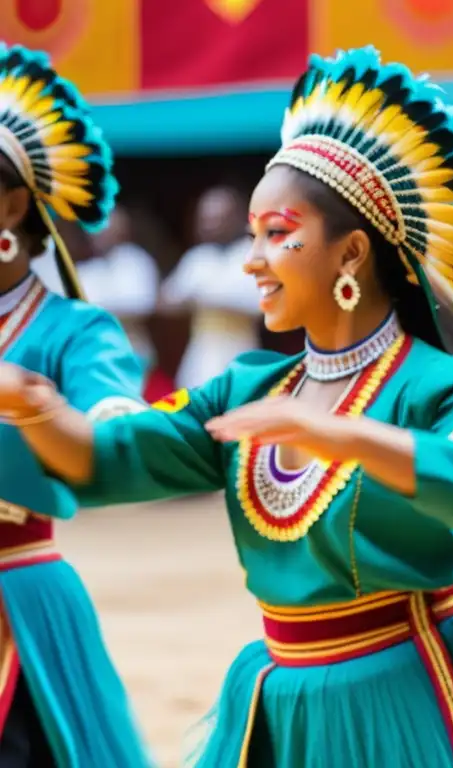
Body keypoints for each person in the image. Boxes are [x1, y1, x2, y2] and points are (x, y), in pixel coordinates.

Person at [0, 48, 453, 767]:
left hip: (409, 697)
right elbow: (111, 460)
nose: (253, 259)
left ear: (350, 254)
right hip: (286, 704)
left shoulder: (430, 381)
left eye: (277, 234)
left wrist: (342, 434)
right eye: (252, 236)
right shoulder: (250, 387)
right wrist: (34, 406)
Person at [0, 46, 151, 766]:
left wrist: (51, 412)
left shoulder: (74, 330)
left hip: (16, 598)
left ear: (12, 205)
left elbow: (112, 426)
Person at [160, 185, 262, 389]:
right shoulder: (198, 258)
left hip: (240, 349)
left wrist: (210, 295)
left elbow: (263, 304)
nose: (210, 226)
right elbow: (165, 301)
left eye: (218, 219)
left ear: (237, 218)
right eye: (206, 220)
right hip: (201, 352)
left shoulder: (254, 254)